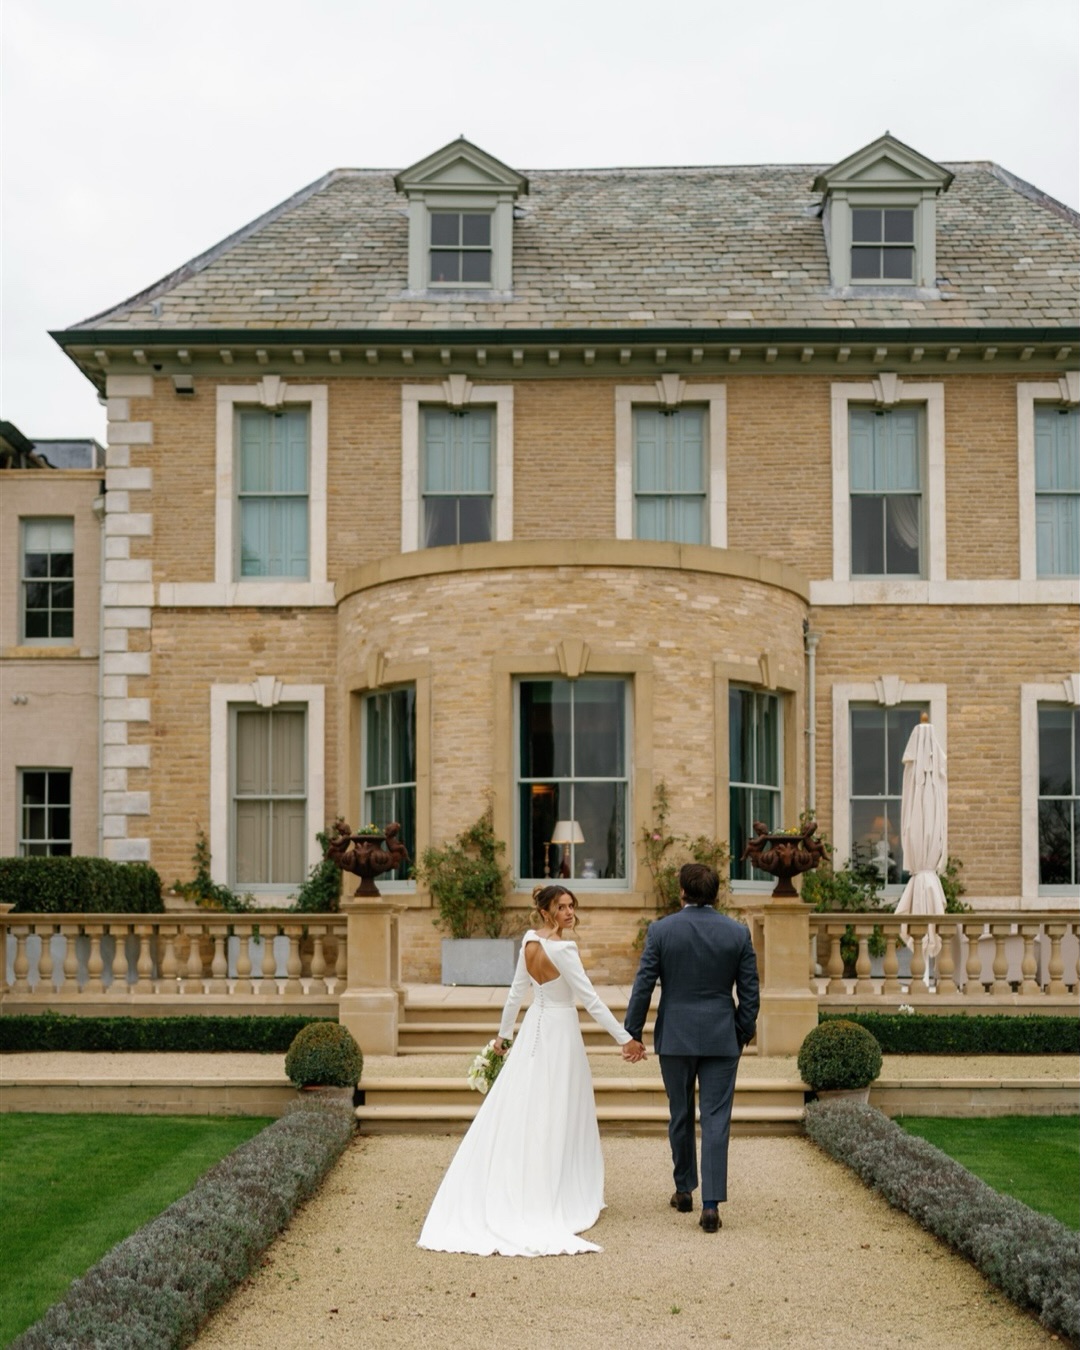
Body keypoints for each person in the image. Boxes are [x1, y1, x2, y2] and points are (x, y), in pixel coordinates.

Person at [417, 884, 637, 1256]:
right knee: (557, 1108)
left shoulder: (529, 942)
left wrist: (504, 1036)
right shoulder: (564, 949)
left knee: (529, 1104)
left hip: (536, 1024)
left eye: (571, 905)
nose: (569, 912)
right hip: (560, 1032)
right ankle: (553, 1190)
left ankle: (528, 1179)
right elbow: (590, 1000)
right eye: (561, 907)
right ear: (546, 912)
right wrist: (625, 1038)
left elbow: (517, 993)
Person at [622, 862, 759, 1234]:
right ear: (716, 893)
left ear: (682, 891)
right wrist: (740, 1032)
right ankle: (710, 1206)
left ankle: (684, 1190)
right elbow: (750, 992)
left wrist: (632, 1032)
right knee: (716, 1119)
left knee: (680, 1113)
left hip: (676, 1036)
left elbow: (643, 985)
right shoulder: (737, 933)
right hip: (721, 1036)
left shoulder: (661, 930)